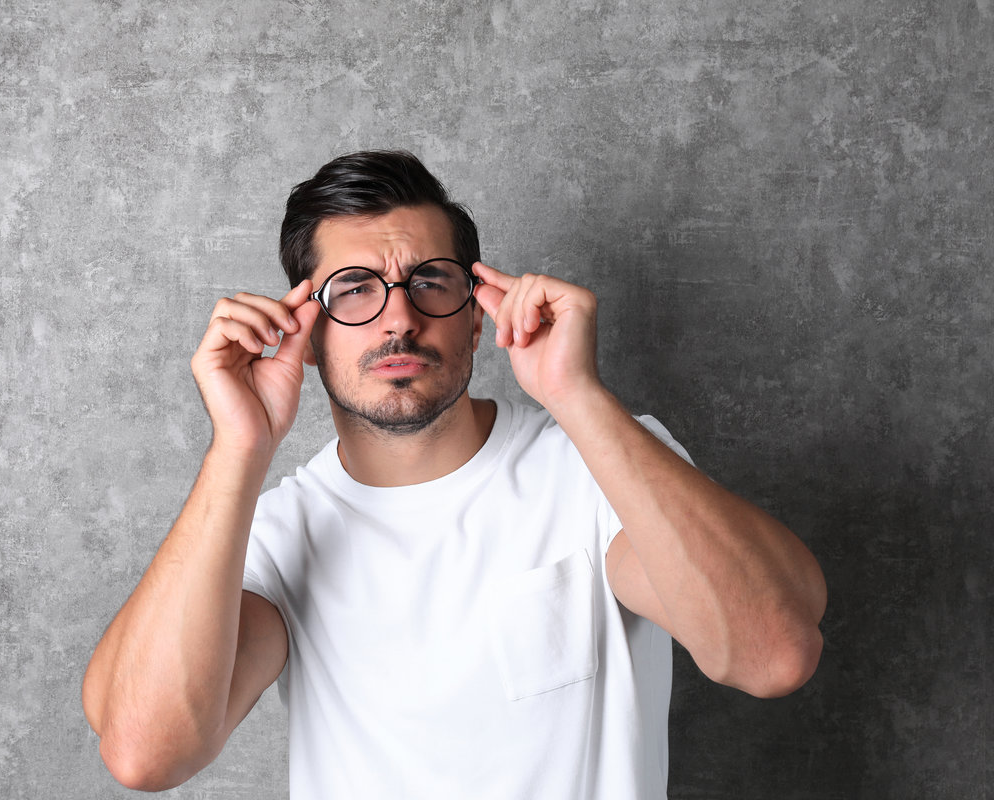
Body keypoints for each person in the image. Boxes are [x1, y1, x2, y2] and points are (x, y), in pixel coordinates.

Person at [81, 150, 827, 798]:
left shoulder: (596, 469)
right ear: (305, 335)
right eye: (355, 288)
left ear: (477, 316)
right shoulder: (274, 534)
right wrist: (236, 449)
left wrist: (578, 397)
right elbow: (146, 752)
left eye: (430, 282)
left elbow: (773, 654)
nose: (398, 318)